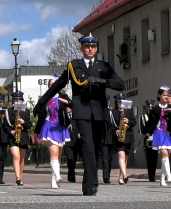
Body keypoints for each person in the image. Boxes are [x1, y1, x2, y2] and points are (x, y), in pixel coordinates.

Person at [34, 33, 124, 196]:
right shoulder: (73, 66)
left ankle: (88, 181)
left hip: (99, 111)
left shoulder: (103, 67)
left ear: (96, 48)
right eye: (87, 46)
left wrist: (101, 81)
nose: (90, 49)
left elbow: (120, 84)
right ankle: (91, 184)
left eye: (93, 46)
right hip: (81, 110)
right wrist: (41, 103)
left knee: (95, 148)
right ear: (82, 48)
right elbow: (58, 86)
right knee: (87, 145)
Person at [35, 76, 71, 188]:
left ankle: (53, 179)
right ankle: (58, 176)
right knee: (54, 152)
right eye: (51, 84)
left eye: (55, 84)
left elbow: (73, 104)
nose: (53, 86)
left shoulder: (63, 96)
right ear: (49, 86)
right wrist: (37, 131)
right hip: (49, 126)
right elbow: (37, 111)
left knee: (59, 154)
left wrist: (67, 103)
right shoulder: (45, 98)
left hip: (61, 127)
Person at [146, 85, 171, 186]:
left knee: (168, 155)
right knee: (164, 153)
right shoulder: (155, 109)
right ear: (159, 95)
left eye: (168, 95)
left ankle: (162, 178)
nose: (166, 97)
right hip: (159, 132)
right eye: (164, 95)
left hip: (169, 133)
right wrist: (145, 131)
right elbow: (150, 122)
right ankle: (169, 176)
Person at [4, 91, 32, 186]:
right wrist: (10, 131)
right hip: (13, 137)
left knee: (22, 159)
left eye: (20, 100)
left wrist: (23, 122)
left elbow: (29, 125)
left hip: (23, 136)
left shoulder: (26, 111)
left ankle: (21, 177)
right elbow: (5, 125)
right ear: (13, 101)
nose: (18, 101)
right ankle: (17, 177)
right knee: (16, 156)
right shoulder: (8, 111)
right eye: (16, 100)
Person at [108, 94, 136, 185]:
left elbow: (134, 122)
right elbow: (110, 126)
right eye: (118, 102)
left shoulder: (129, 111)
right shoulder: (113, 112)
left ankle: (120, 177)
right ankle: (125, 175)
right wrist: (115, 131)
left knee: (125, 158)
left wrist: (128, 121)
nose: (120, 103)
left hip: (128, 136)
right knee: (122, 156)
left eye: (122, 102)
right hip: (119, 137)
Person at [139, 99, 158, 182]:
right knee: (149, 157)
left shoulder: (156, 115)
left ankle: (153, 174)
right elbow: (141, 128)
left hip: (156, 137)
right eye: (148, 107)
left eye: (151, 107)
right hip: (147, 139)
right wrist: (145, 133)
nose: (150, 108)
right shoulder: (143, 117)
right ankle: (150, 175)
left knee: (155, 157)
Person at [63, 106, 80, 183]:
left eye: (69, 107)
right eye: (66, 107)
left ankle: (70, 174)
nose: (67, 109)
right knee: (70, 158)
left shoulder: (76, 117)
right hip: (67, 140)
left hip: (76, 141)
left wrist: (80, 133)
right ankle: (72, 176)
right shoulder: (64, 116)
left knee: (74, 159)